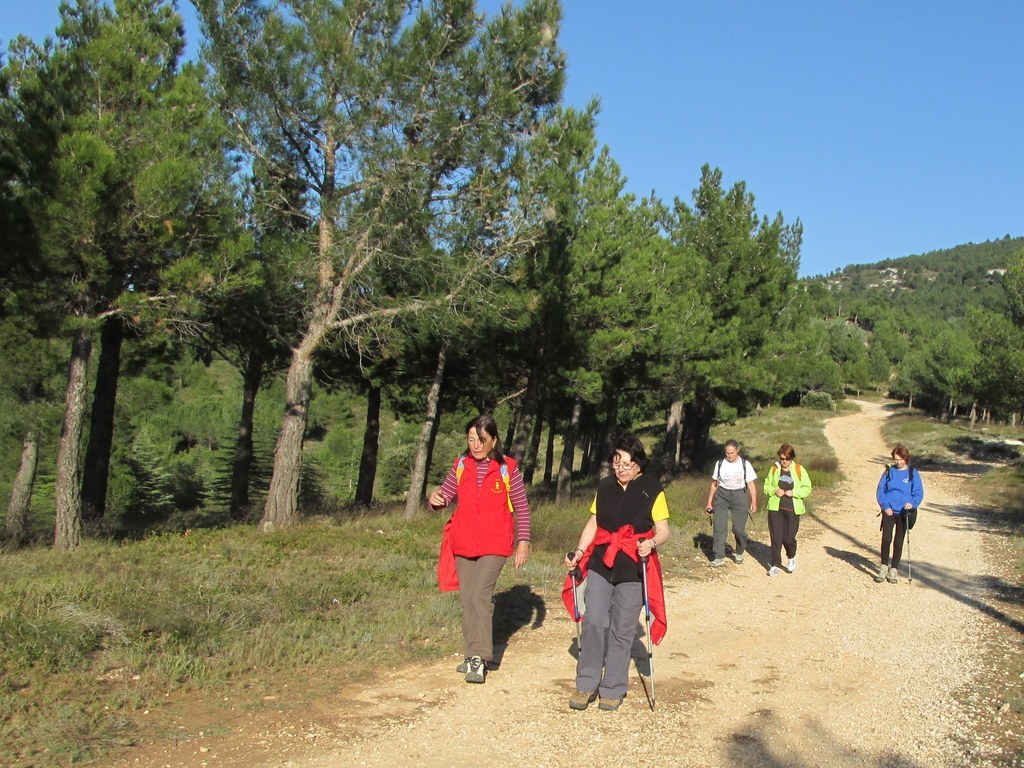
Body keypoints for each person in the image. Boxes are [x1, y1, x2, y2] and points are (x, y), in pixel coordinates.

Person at [563, 434, 669, 712]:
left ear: (638, 464)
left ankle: (613, 688)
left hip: (633, 567)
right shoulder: (605, 486)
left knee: (622, 630)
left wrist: (651, 543)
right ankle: (586, 684)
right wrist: (578, 551)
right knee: (594, 621)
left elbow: (664, 529)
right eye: (616, 461)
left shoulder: (651, 488)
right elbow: (594, 523)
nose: (620, 467)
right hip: (601, 562)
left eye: (626, 462)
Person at [430, 414, 531, 684]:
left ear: (494, 440)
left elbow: (521, 508)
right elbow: (446, 495)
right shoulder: (461, 465)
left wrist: (523, 542)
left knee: (479, 596)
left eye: (481, 440)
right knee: (467, 599)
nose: (475, 445)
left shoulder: (508, 468)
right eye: (471, 439)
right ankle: (471, 652)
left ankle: (479, 656)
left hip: (495, 543)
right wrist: (435, 500)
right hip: (463, 542)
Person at [874, 443, 924, 584]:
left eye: (901, 459)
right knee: (886, 538)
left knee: (898, 541)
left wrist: (912, 504)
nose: (898, 462)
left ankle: (894, 570)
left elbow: (918, 493)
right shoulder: (889, 472)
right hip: (889, 511)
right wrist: (885, 506)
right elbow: (880, 491)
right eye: (896, 459)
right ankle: (883, 567)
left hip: (904, 513)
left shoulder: (913, 473)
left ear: (906, 458)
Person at [705, 439, 757, 566]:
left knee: (738, 529)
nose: (729, 456)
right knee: (719, 527)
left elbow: (751, 484)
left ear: (737, 451)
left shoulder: (745, 464)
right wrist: (709, 502)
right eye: (727, 453)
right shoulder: (720, 464)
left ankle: (739, 551)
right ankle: (719, 556)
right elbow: (714, 484)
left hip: (739, 495)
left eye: (732, 453)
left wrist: (754, 501)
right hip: (722, 495)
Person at [763, 443, 813, 576]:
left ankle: (791, 557)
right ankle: (775, 564)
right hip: (775, 508)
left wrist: (794, 492)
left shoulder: (799, 469)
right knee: (776, 538)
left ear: (792, 458)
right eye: (782, 458)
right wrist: (774, 490)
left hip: (792, 509)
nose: (784, 461)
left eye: (787, 459)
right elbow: (766, 485)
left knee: (788, 538)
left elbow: (807, 488)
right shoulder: (774, 469)